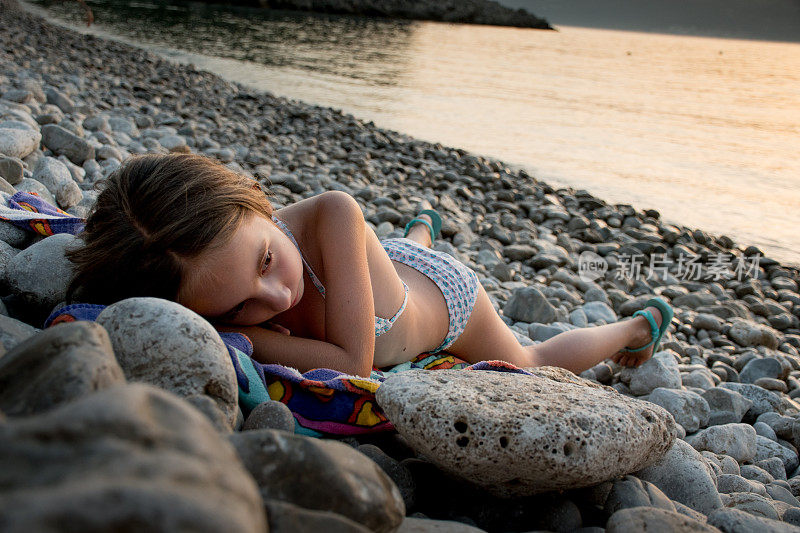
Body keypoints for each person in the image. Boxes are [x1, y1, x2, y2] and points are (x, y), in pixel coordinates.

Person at [67, 153, 673, 378]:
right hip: (380, 278)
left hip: (446, 303)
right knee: (388, 261)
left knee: (530, 360)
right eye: (236, 307)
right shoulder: (212, 264)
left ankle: (637, 326)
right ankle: (418, 232)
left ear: (253, 198)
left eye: (268, 260)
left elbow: (351, 363)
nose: (275, 299)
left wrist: (237, 330)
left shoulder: (332, 211)